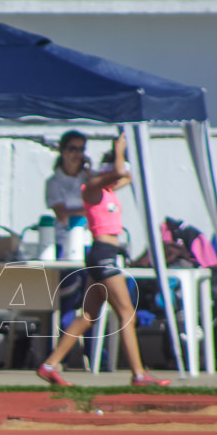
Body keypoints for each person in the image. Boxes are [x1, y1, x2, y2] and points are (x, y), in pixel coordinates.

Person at [36, 134, 169, 387]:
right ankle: (139, 375)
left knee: (88, 316)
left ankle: (49, 365)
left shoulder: (105, 189)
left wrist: (129, 149)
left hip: (105, 255)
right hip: (103, 254)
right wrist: (119, 149)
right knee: (126, 312)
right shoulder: (92, 188)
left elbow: (129, 174)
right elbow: (119, 171)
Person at [45, 130, 94, 361]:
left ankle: (95, 356)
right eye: (72, 149)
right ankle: (60, 357)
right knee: (67, 301)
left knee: (92, 302)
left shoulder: (88, 180)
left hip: (89, 245)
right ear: (63, 151)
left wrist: (90, 172)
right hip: (66, 247)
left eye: (80, 149)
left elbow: (102, 202)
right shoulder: (54, 182)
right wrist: (87, 213)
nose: (77, 154)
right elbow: (63, 215)